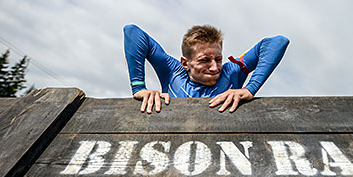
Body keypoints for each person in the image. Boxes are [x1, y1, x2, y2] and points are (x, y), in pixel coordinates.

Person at [123, 24, 289, 113]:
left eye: (218, 59)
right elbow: (132, 32)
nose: (214, 67)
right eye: (204, 60)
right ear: (185, 63)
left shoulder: (231, 71)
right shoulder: (173, 71)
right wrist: (139, 88)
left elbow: (277, 42)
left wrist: (249, 89)